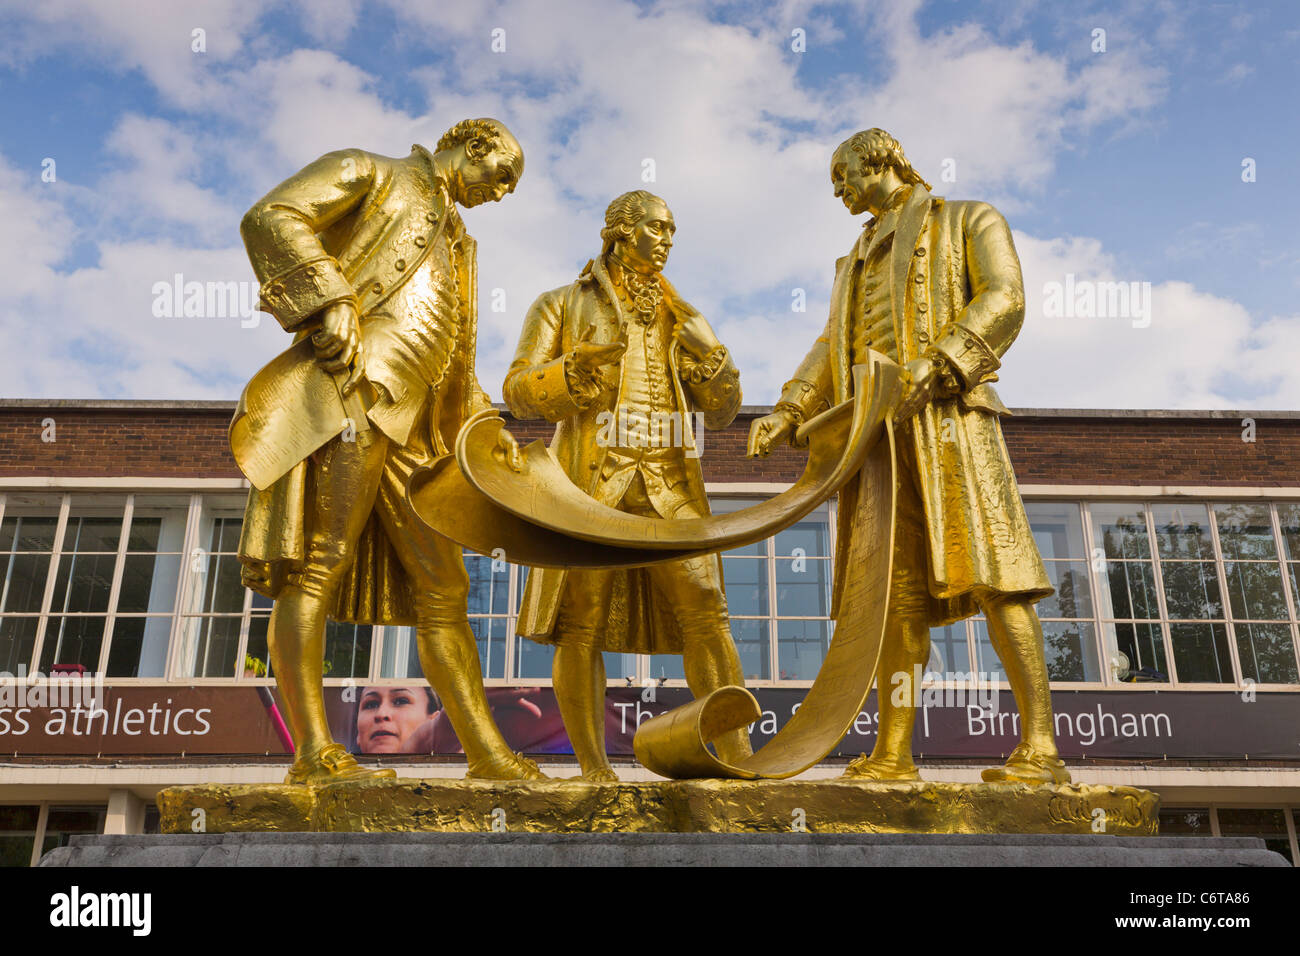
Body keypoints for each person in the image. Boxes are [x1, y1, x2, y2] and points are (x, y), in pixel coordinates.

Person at [748, 129, 1070, 784]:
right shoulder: (854, 259)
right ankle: (893, 756)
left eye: (844, 177)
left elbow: (1005, 297)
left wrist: (944, 360)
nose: (839, 192)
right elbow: (827, 347)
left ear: (882, 161)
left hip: (949, 423)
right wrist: (788, 409)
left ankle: (1040, 746)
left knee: (998, 576)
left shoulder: (968, 218)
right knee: (889, 602)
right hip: (876, 443)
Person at [234, 118, 543, 784]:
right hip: (354, 392)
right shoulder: (367, 169)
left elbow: (453, 362)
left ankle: (489, 758)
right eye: (505, 173)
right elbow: (271, 216)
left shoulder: (460, 241)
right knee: (320, 566)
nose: (505, 190)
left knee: (446, 589)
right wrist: (330, 301)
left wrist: (487, 430)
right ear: (476, 144)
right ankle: (313, 754)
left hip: (420, 426)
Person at [503, 190, 752, 781]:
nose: (667, 240)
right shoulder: (559, 304)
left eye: (672, 231)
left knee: (708, 608)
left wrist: (712, 352)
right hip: (591, 483)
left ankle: (742, 759)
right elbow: (517, 389)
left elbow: (721, 414)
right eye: (657, 228)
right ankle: (594, 769)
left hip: (670, 482)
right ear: (619, 231)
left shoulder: (682, 315)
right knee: (579, 621)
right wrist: (566, 374)